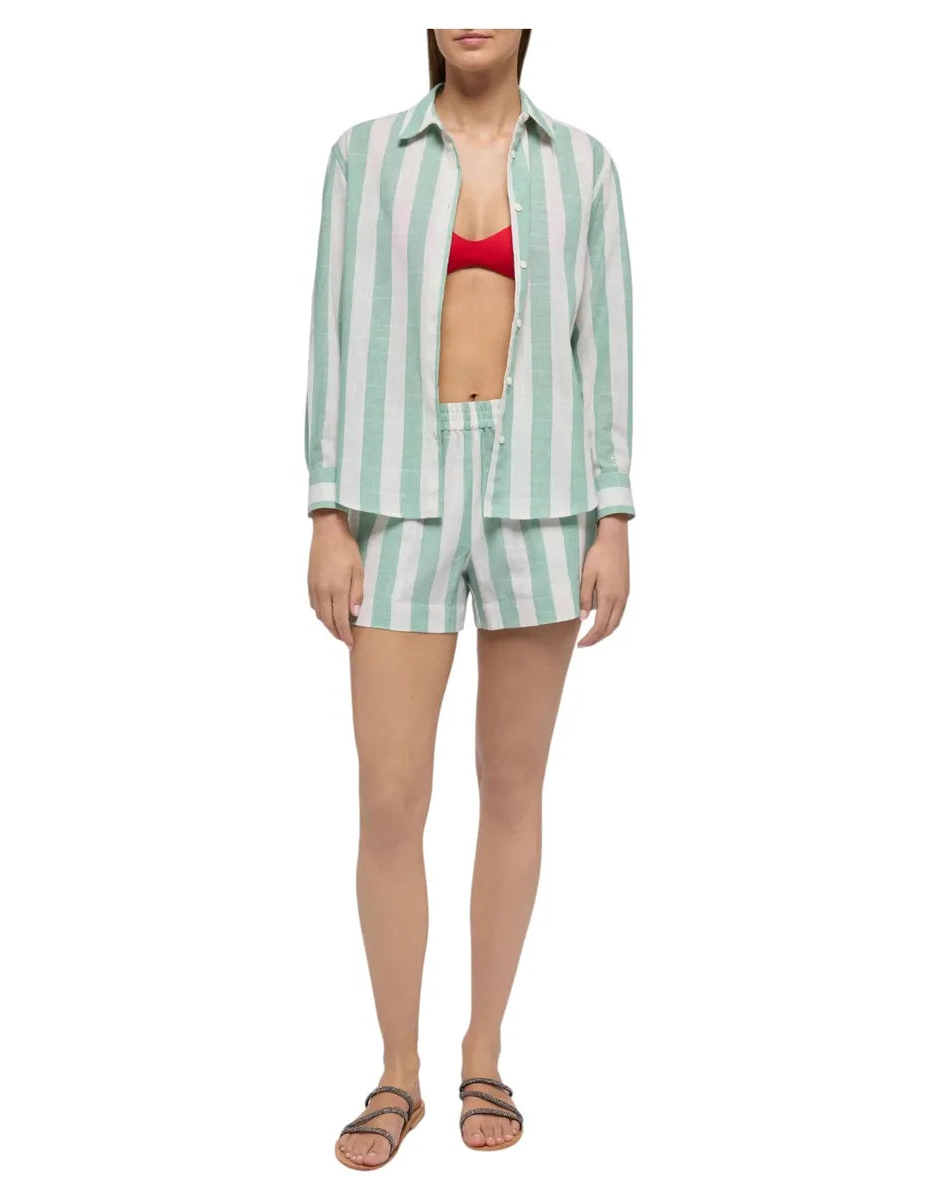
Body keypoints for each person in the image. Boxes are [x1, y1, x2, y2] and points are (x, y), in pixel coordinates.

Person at [304, 28, 635, 1170]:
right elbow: (333, 334)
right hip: (395, 494)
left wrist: (614, 513)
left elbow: (606, 346)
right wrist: (326, 508)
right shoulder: (362, 158)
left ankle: (482, 1051)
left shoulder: (584, 166)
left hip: (540, 491)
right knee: (390, 795)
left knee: (512, 785)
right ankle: (395, 1071)